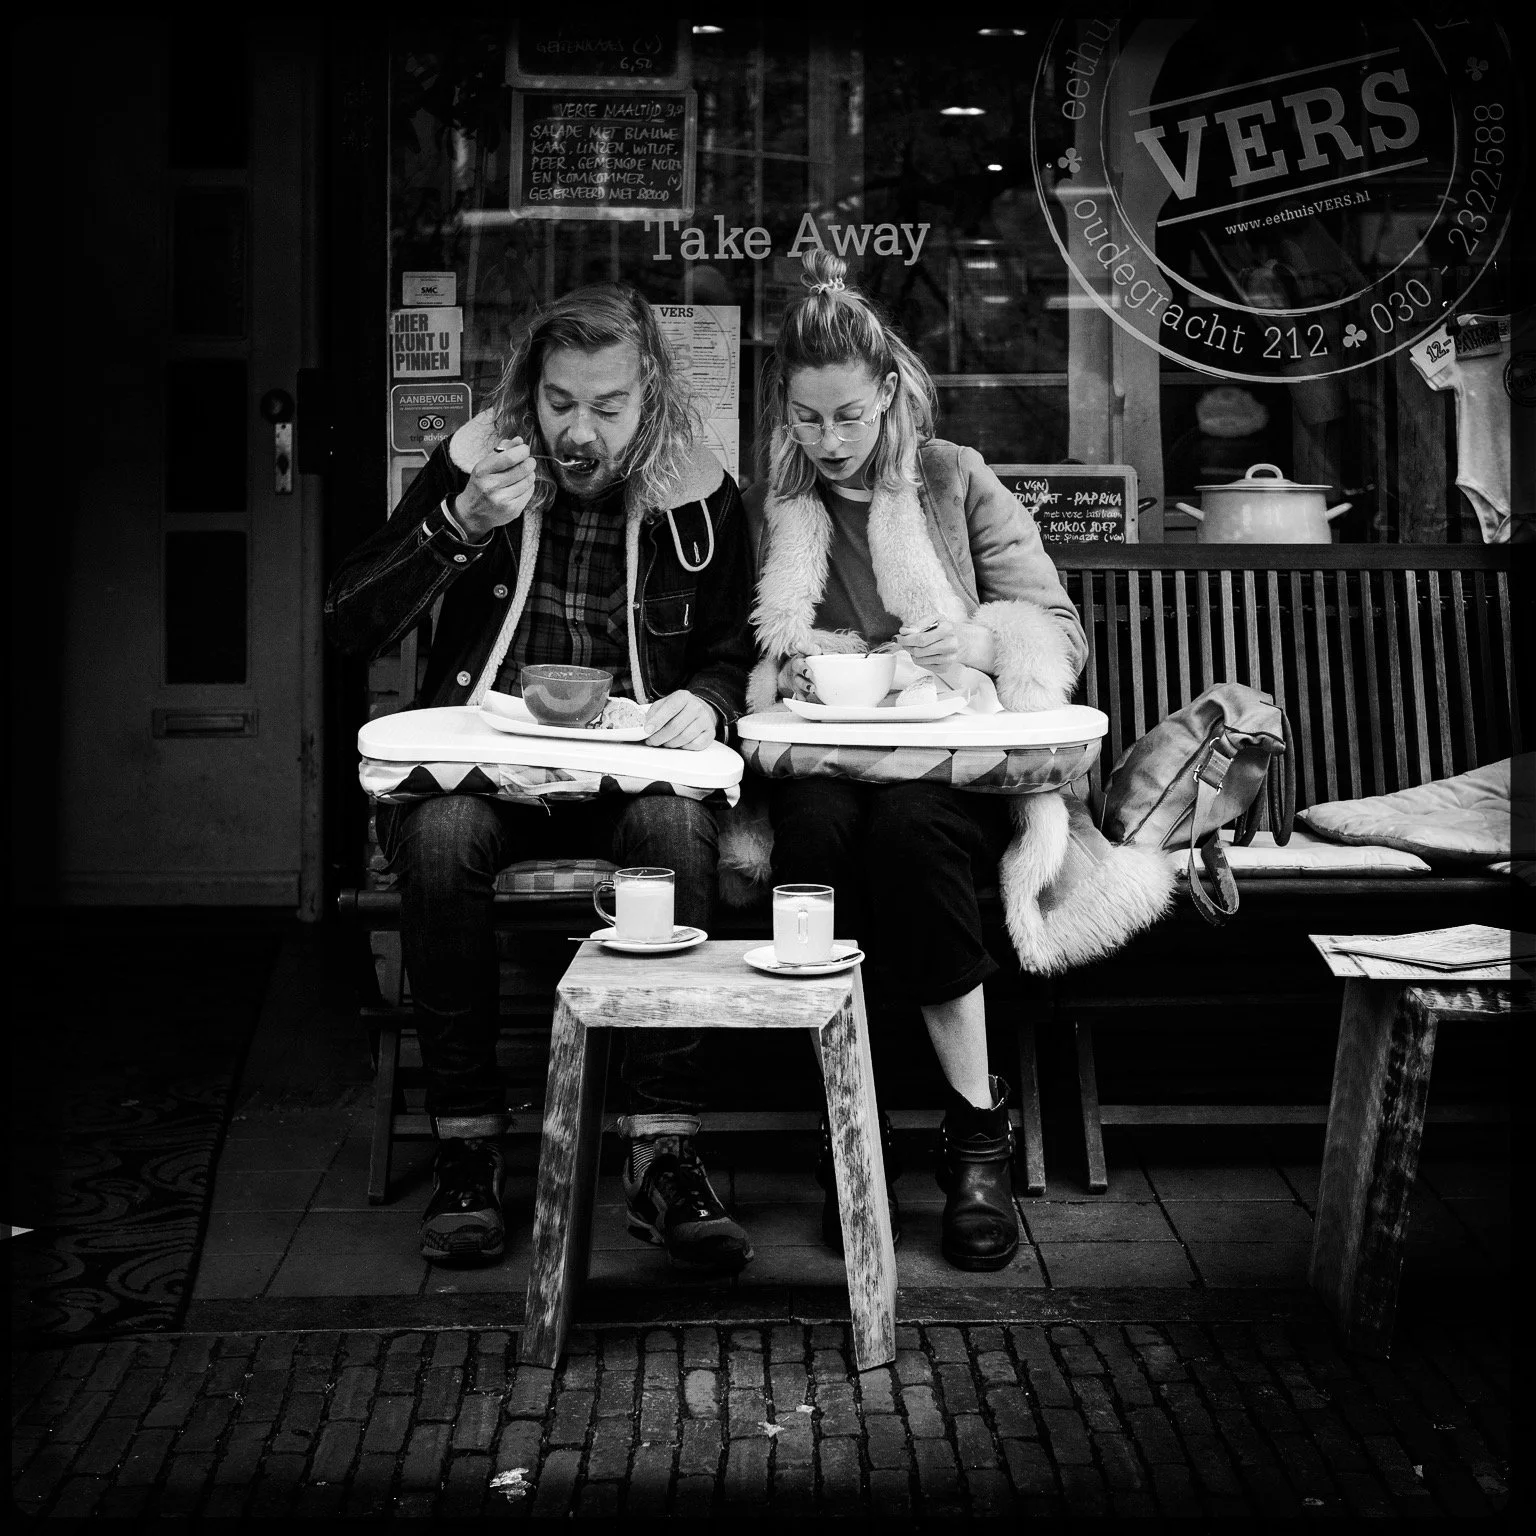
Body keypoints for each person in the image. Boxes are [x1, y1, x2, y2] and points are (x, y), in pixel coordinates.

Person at [326, 285, 756, 1273]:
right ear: (530, 391)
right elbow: (350, 624)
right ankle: (468, 1153)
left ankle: (664, 1151)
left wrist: (712, 700)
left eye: (608, 406)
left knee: (676, 833)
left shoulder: (699, 486)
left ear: (648, 395)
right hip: (484, 769)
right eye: (561, 401)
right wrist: (459, 522)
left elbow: (731, 645)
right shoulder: (481, 464)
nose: (580, 428)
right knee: (437, 838)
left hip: (628, 768)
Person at [743, 249, 1088, 1271]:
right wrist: (789, 676)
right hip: (824, 761)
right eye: (807, 418)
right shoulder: (774, 496)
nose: (830, 440)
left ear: (888, 391)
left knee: (916, 839)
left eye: (849, 415)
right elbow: (753, 646)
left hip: (948, 763)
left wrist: (977, 643)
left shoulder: (953, 479)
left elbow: (1057, 632)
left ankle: (975, 1132)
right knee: (810, 833)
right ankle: (845, 1126)